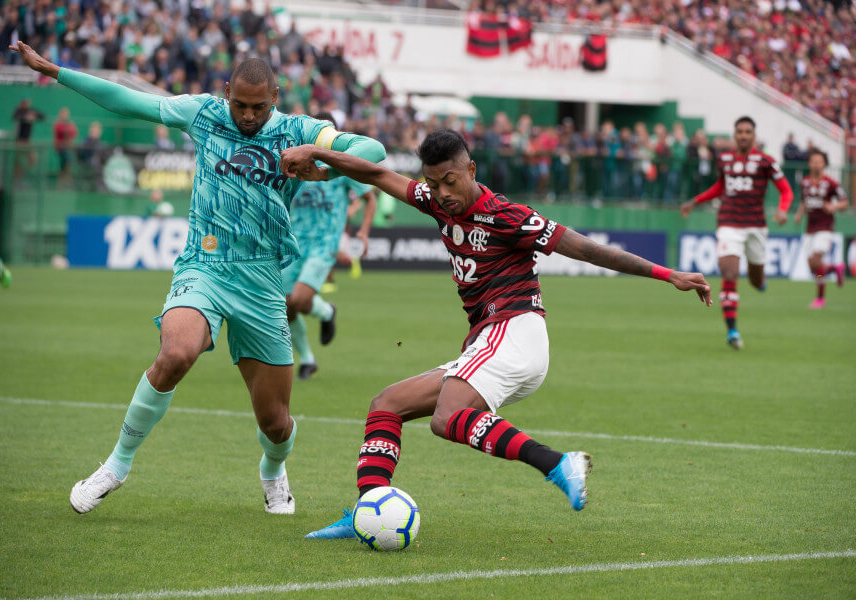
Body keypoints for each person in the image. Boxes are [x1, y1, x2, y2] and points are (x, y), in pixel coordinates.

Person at [10, 42, 386, 516]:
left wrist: (318, 155)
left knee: (275, 423)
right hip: (203, 267)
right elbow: (130, 101)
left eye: (258, 107)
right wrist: (58, 72)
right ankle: (116, 466)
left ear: (276, 96)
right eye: (239, 104)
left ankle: (273, 471)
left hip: (263, 281)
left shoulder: (298, 130)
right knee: (176, 353)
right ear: (226, 92)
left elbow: (374, 150)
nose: (247, 115)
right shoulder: (204, 114)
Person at [278, 129, 712, 538]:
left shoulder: (507, 216)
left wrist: (666, 273)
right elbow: (375, 173)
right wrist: (318, 153)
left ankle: (559, 464)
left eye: (449, 181)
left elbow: (585, 248)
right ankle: (367, 511)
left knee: (446, 419)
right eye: (434, 183)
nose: (442, 193)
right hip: (490, 339)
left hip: (516, 330)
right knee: (386, 405)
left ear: (471, 170)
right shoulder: (433, 199)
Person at [680, 116, 793, 350]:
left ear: (754, 135)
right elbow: (721, 187)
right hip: (729, 223)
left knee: (754, 279)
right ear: (734, 135)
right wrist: (696, 201)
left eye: (747, 131)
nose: (743, 135)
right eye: (739, 131)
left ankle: (759, 281)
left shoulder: (766, 161)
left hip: (756, 227)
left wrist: (783, 211)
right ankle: (732, 331)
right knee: (729, 273)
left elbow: (786, 190)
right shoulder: (724, 159)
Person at [283, 113, 378, 380]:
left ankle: (326, 311)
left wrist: (364, 232)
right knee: (285, 307)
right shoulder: (295, 164)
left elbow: (370, 199)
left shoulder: (342, 168)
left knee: (300, 300)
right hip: (294, 242)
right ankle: (308, 360)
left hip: (324, 243)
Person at [794, 150, 847, 309]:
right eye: (813, 161)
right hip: (810, 228)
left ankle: (820, 298)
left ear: (824, 164)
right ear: (809, 164)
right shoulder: (804, 182)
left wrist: (834, 206)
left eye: (819, 161)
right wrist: (799, 215)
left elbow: (845, 202)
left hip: (825, 227)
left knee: (816, 261)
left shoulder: (831, 183)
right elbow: (804, 201)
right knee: (814, 268)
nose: (816, 164)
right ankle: (834, 268)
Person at [53, 107, 78, 180]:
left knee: (67, 163)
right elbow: (61, 132)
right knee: (64, 164)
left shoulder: (70, 123)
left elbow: (74, 132)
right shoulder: (58, 123)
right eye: (63, 113)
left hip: (68, 147)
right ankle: (63, 182)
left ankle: (66, 180)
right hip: (61, 148)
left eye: (66, 114)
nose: (64, 115)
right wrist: (68, 128)